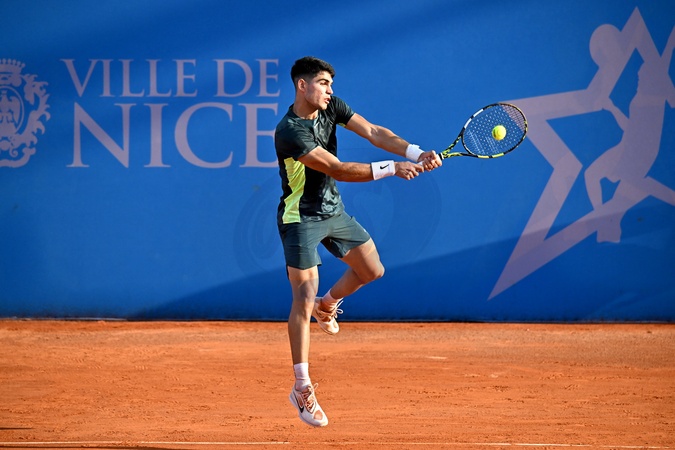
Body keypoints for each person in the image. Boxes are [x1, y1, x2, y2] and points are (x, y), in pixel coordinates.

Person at [274, 56, 442, 427]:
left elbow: (374, 132)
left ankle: (328, 305)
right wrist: (391, 168)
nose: (329, 90)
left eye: (330, 84)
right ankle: (301, 387)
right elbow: (335, 169)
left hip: (333, 211)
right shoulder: (289, 131)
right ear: (302, 85)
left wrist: (415, 153)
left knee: (372, 270)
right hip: (300, 218)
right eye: (323, 83)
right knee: (303, 295)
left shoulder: (332, 106)